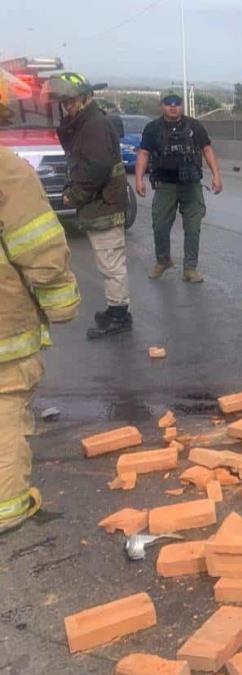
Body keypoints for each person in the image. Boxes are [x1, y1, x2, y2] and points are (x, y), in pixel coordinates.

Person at [0, 76, 81, 534]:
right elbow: (38, 246)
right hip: (3, 324)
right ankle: (7, 507)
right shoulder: (6, 170)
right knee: (6, 406)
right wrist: (60, 302)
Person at [43, 72, 131, 338]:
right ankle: (116, 308)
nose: (67, 107)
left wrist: (75, 195)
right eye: (64, 103)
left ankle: (119, 316)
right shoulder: (84, 122)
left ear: (86, 98)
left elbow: (97, 167)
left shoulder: (94, 125)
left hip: (104, 203)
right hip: (99, 203)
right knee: (107, 261)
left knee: (111, 261)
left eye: (70, 102)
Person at [136, 93, 222, 283]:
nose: (173, 108)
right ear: (162, 107)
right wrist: (139, 179)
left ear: (182, 107)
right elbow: (144, 153)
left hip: (191, 185)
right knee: (160, 225)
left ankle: (190, 269)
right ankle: (163, 260)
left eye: (177, 105)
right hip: (165, 184)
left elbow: (207, 150)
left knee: (193, 227)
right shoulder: (153, 128)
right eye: (169, 105)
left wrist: (216, 175)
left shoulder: (194, 126)